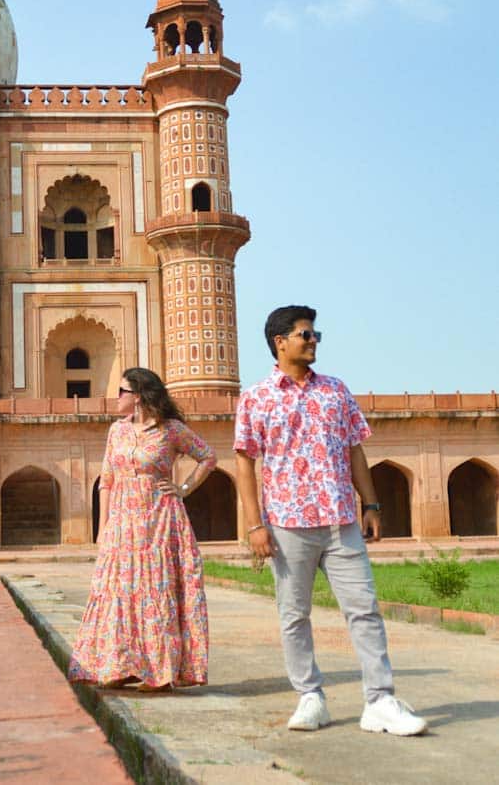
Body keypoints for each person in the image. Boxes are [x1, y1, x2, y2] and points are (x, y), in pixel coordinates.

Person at [233, 305, 426, 735]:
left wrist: (371, 505)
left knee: (364, 610)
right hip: (287, 522)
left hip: (340, 521)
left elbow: (355, 450)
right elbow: (245, 462)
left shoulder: (336, 391)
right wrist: (254, 524)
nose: (314, 340)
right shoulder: (257, 398)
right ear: (281, 342)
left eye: (316, 333)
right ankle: (310, 696)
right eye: (306, 334)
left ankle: (379, 700)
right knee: (294, 615)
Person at [68, 367, 216, 691]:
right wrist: (102, 526)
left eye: (121, 391)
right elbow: (106, 480)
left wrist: (184, 488)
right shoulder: (116, 432)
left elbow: (208, 456)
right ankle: (121, 665)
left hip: (159, 521)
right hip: (122, 521)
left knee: (155, 589)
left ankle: (159, 672)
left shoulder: (170, 430)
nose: (116, 398)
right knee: (118, 591)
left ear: (138, 396)